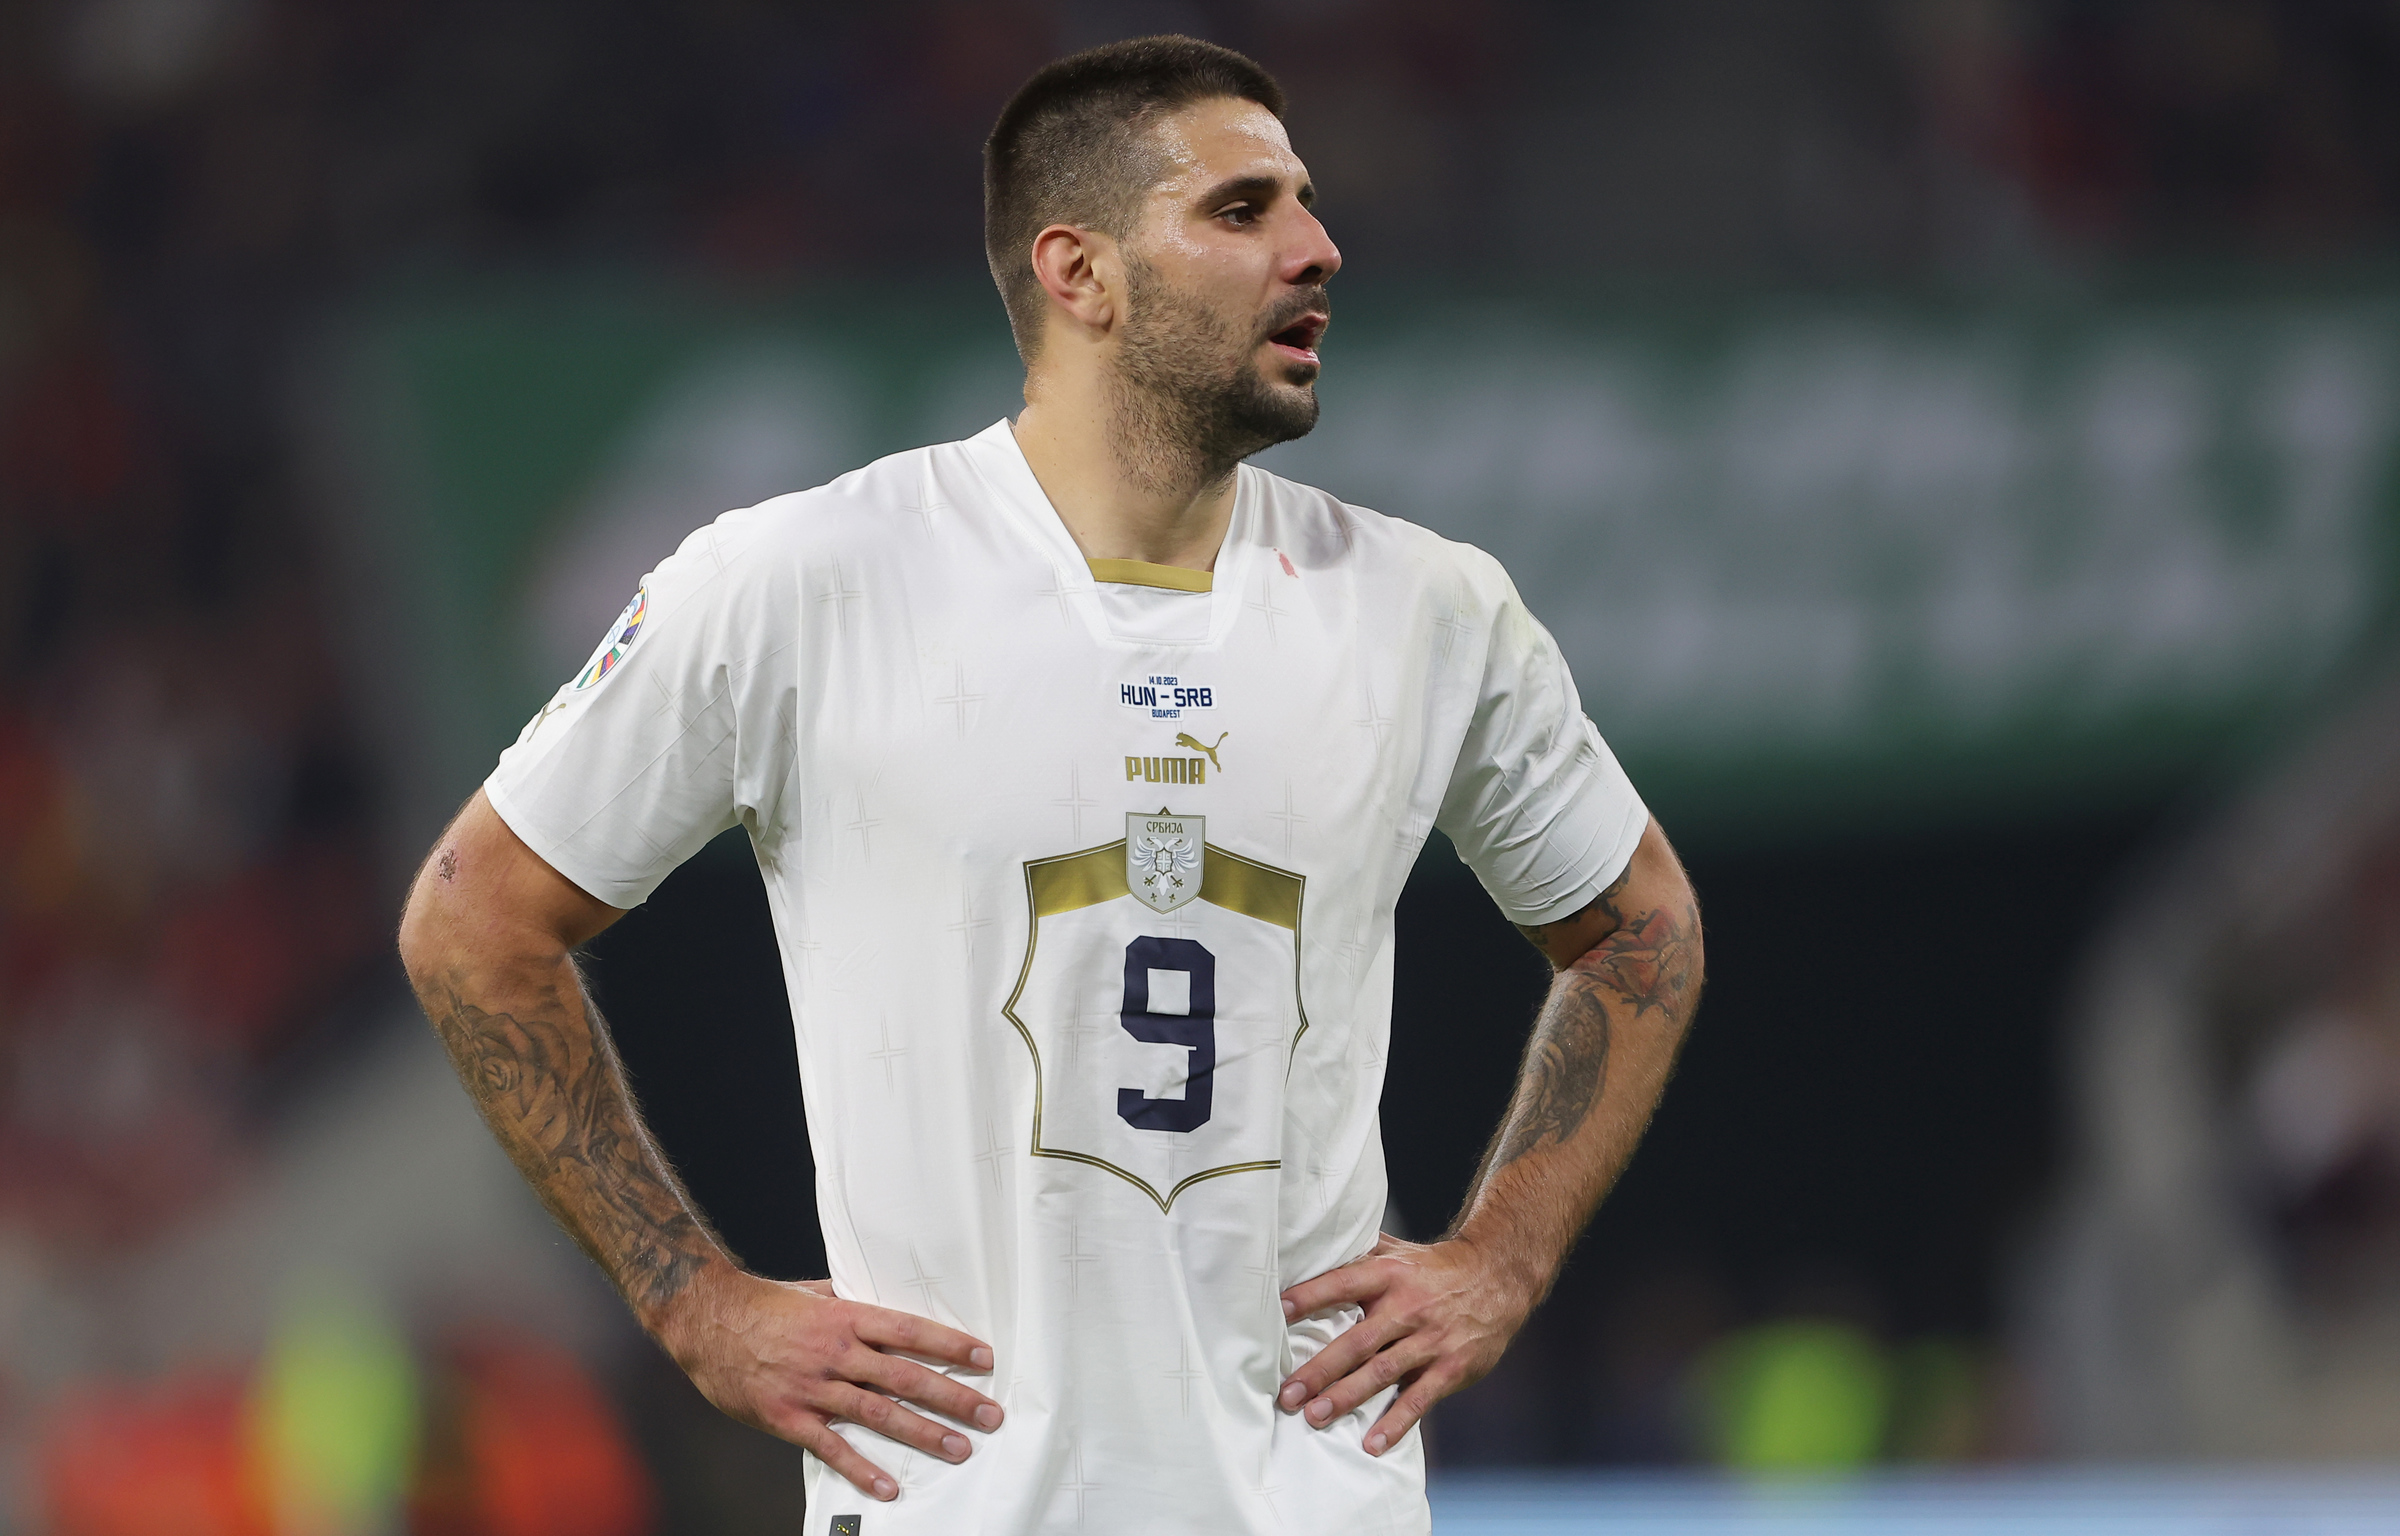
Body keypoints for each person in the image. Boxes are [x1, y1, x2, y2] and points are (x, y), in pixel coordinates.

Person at [396, 33, 1702, 1535]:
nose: (1317, 247)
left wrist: (1508, 1255)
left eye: (1306, 203)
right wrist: (693, 1300)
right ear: (1077, 273)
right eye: (1241, 209)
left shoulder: (1427, 610)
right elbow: (473, 921)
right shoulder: (805, 582)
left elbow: (1638, 928)